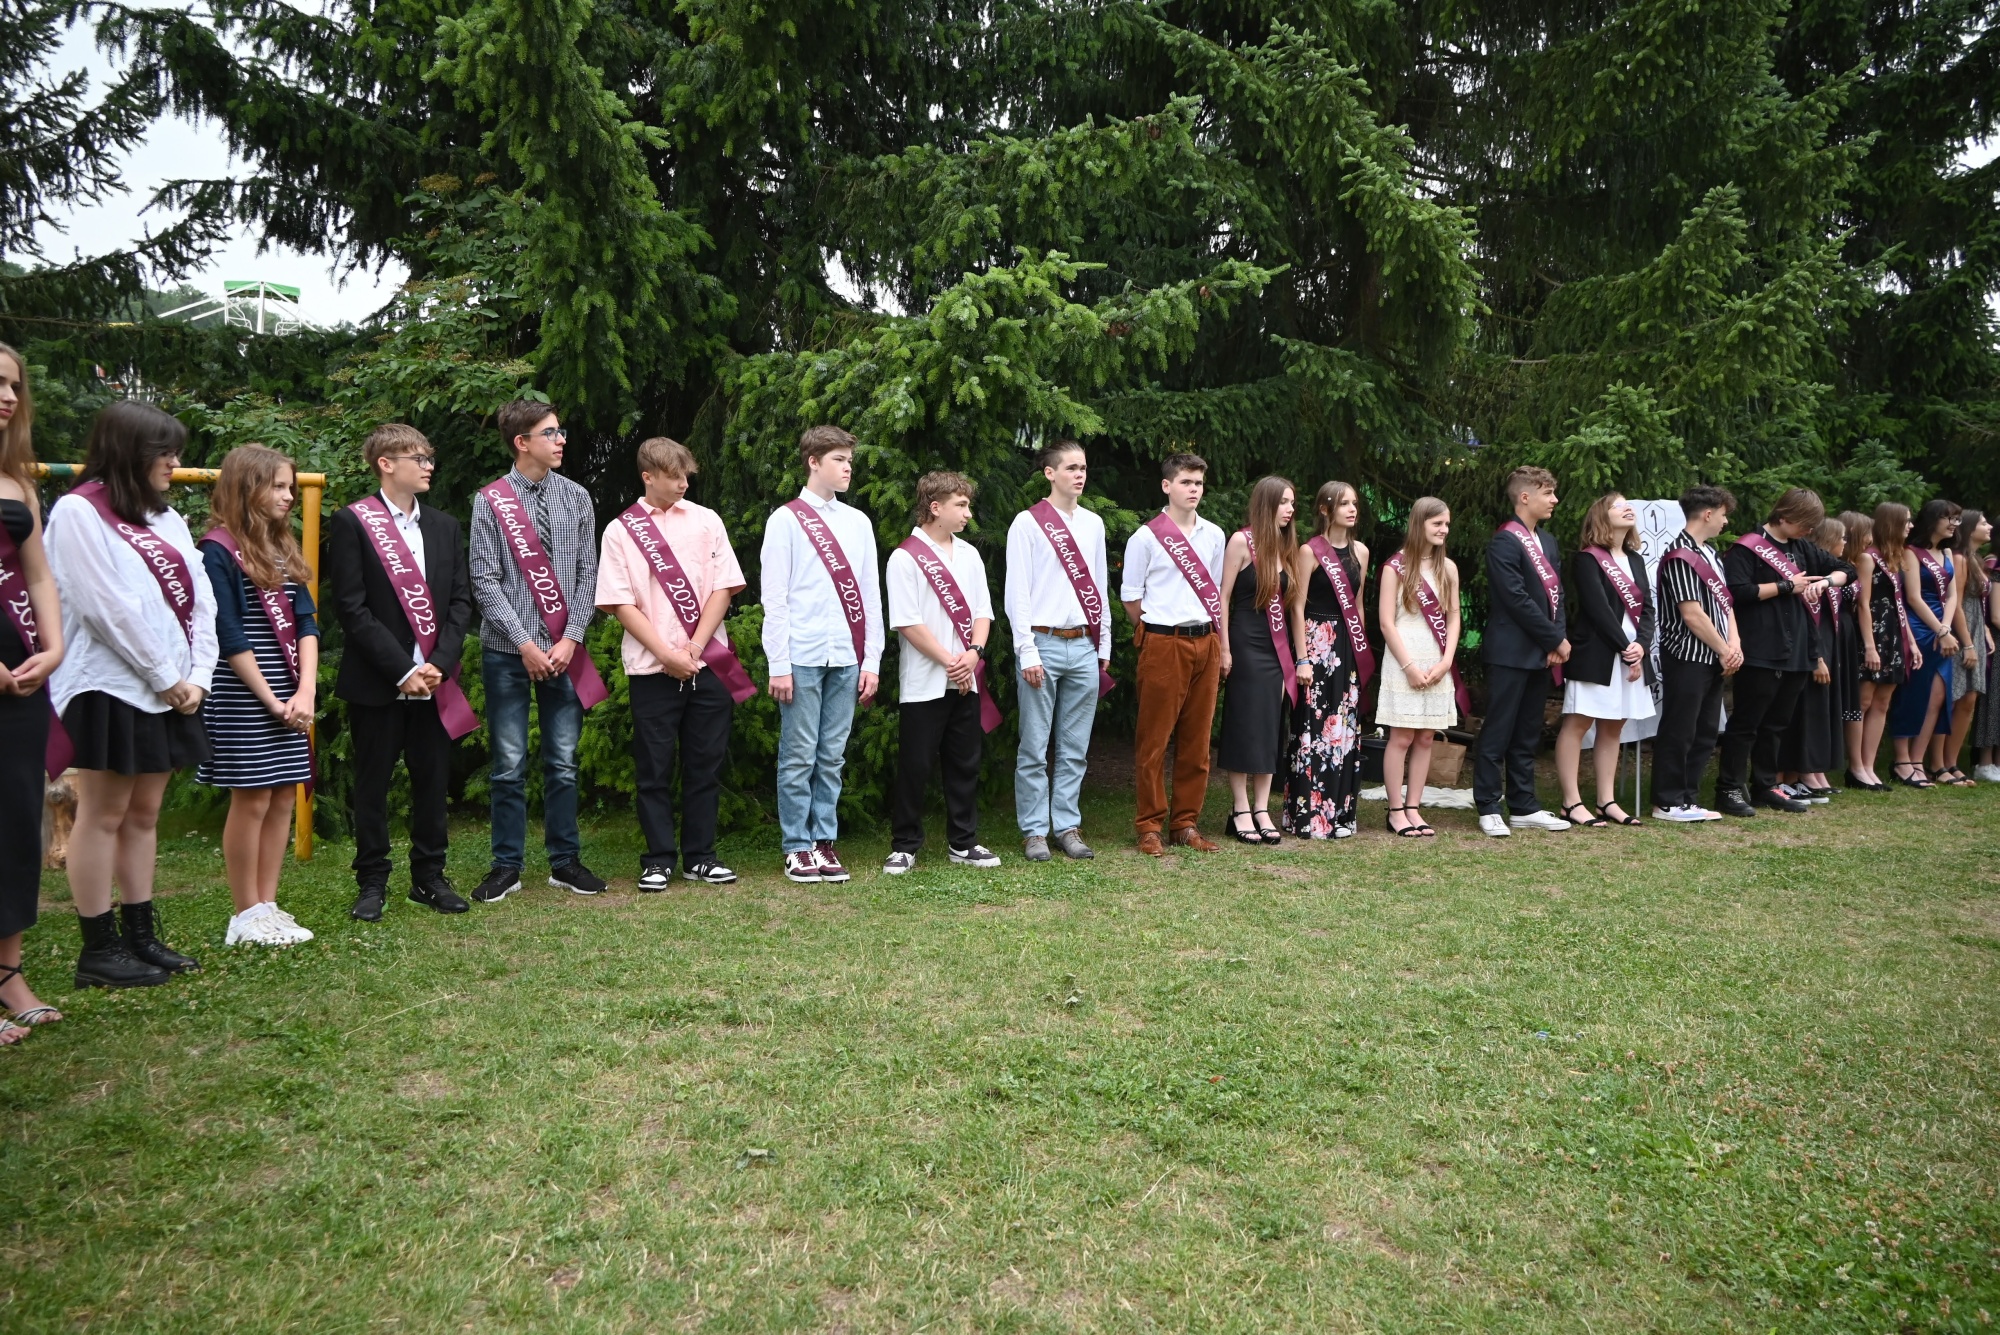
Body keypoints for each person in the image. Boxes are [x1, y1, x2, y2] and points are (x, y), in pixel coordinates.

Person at [47, 401, 215, 986]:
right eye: (164, 452)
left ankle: (141, 935)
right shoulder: (78, 512)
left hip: (176, 686)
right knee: (104, 813)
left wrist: (199, 674)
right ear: (129, 452)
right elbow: (102, 608)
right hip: (112, 685)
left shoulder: (166, 518)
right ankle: (98, 947)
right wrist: (166, 677)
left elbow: (201, 598)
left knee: (144, 815)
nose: (174, 462)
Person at [327, 423, 476, 921]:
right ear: (386, 464)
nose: (430, 466)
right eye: (419, 458)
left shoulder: (444, 526)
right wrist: (400, 670)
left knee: (432, 782)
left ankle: (429, 878)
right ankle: (372, 882)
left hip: (433, 682)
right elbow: (351, 608)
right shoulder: (352, 522)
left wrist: (439, 664)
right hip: (378, 682)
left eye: (430, 457)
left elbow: (460, 602)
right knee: (372, 785)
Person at [469, 400, 607, 902]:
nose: (561, 439)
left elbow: (589, 574)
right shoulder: (490, 501)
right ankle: (506, 867)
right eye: (550, 433)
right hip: (508, 652)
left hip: (566, 651)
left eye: (560, 431)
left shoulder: (577, 497)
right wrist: (524, 643)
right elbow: (484, 580)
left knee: (563, 762)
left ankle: (565, 862)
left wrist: (571, 638)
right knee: (508, 764)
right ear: (521, 442)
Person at [595, 436, 748, 889]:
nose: (683, 484)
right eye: (674, 477)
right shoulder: (621, 531)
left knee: (706, 765)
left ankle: (700, 857)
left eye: (686, 476)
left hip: (707, 664)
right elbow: (619, 603)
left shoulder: (706, 520)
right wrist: (666, 655)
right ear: (648, 477)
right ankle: (658, 859)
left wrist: (694, 650)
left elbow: (724, 587)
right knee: (654, 768)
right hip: (651, 668)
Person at [196, 445, 319, 946]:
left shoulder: (281, 546)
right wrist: (271, 700)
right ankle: (244, 914)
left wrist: (305, 690)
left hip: (292, 692)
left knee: (282, 797)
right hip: (243, 694)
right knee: (251, 799)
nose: (289, 496)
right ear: (247, 487)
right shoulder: (217, 550)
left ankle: (268, 906)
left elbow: (307, 622)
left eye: (291, 486)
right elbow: (227, 632)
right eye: (278, 486)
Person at [760, 425, 882, 883]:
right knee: (798, 756)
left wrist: (871, 661)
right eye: (839, 460)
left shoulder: (858, 523)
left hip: (847, 657)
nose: (848, 468)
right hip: (801, 656)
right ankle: (797, 846)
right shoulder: (785, 520)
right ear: (813, 462)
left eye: (850, 460)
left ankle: (823, 842)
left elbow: (870, 596)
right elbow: (774, 598)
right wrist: (778, 664)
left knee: (831, 756)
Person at [884, 471, 999, 873]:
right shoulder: (905, 558)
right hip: (924, 680)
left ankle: (963, 843)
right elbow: (907, 621)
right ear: (935, 507)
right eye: (961, 505)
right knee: (915, 765)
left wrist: (974, 653)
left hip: (966, 678)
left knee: (964, 762)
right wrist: (950, 660)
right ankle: (904, 845)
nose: (968, 513)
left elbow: (983, 612)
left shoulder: (968, 555)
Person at [0, 345, 65, 1035]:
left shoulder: (18, 482)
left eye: (14, 385)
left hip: (21, 678)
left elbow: (37, 573)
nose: (9, 396)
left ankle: (8, 973)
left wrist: (53, 646)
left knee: (17, 821)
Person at [1004, 440, 1110, 862]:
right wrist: (1026, 651)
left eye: (1083, 467)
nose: (1079, 475)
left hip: (1083, 644)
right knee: (1034, 745)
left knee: (1074, 747)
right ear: (1050, 473)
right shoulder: (1027, 523)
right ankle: (1034, 830)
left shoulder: (1094, 524)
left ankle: (1066, 826)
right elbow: (1017, 593)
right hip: (1042, 643)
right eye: (1071, 468)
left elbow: (1099, 586)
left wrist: (1103, 643)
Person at [1716, 487, 1851, 816]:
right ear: (1785, 516)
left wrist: (1826, 583)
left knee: (1777, 723)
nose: (1809, 531)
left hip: (1798, 649)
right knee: (1746, 724)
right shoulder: (1747, 548)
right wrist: (1786, 586)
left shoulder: (1801, 547)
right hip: (1761, 648)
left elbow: (1846, 569)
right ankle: (1729, 788)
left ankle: (1765, 785)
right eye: (1805, 524)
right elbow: (1736, 592)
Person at [1121, 452, 1227, 855]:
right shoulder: (1146, 538)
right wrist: (1156, 632)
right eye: (1185, 482)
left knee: (1197, 742)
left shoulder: (1214, 535)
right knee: (1154, 740)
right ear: (1167, 486)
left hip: (1206, 641)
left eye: (1198, 482)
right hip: (1163, 642)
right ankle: (1149, 826)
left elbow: (1215, 592)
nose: (1193, 489)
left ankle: (1185, 824)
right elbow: (1131, 597)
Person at [1475, 466, 1571, 837]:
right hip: (1509, 652)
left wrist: (1555, 639)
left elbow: (1557, 595)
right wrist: (1554, 639)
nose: (1554, 500)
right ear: (1525, 497)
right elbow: (1515, 599)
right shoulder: (1504, 541)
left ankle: (1524, 806)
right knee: (1497, 731)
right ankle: (1488, 806)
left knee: (1528, 733)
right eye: (1548, 493)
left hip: (1541, 653)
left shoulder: (1548, 541)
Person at [1554, 493, 1655, 827]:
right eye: (1617, 505)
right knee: (1578, 723)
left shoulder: (1635, 559)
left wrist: (1641, 645)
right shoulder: (1588, 559)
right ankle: (1571, 802)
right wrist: (1627, 648)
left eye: (1628, 504)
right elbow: (1597, 610)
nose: (1628, 508)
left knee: (1614, 726)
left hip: (1631, 655)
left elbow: (1648, 608)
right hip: (1597, 654)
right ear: (1601, 515)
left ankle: (1606, 801)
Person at [1285, 480, 1372, 839]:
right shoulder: (1309, 551)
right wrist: (1302, 658)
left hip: (1347, 648)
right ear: (1325, 509)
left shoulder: (1361, 552)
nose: (1352, 510)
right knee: (1313, 728)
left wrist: (1361, 652)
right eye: (1344, 503)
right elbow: (1297, 606)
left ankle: (1339, 815)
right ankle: (1308, 815)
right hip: (1316, 645)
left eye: (1355, 504)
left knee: (1343, 730)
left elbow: (1359, 604)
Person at [1651, 485, 1740, 821]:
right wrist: (1725, 649)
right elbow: (1692, 614)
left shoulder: (1711, 554)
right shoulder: (1680, 555)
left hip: (1715, 657)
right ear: (1708, 513)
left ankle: (1688, 798)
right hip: (1687, 657)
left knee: (1705, 732)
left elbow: (1726, 604)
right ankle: (1667, 801)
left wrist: (1734, 645)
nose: (1725, 522)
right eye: (1723, 514)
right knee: (1680, 730)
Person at [1217, 476, 1298, 844]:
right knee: (1244, 725)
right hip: (1245, 643)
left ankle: (1262, 808)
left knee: (1269, 726)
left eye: (1292, 503)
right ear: (1266, 504)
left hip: (1276, 649)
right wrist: (1224, 647)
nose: (1290, 509)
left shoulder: (1286, 546)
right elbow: (1223, 597)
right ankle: (1240, 809)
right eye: (1284, 502)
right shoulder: (1241, 541)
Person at [1374, 497, 1458, 837]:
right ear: (1419, 523)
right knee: (1402, 736)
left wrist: (1447, 660)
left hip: (1436, 659)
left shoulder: (1447, 568)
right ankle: (1396, 810)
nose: (1444, 529)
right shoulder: (1394, 568)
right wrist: (1408, 666)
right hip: (1403, 658)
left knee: (1425, 737)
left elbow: (1454, 616)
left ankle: (1414, 807)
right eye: (1437, 523)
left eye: (1447, 524)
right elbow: (1385, 622)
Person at [1774, 517, 1852, 802]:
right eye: (1841, 537)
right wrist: (1817, 656)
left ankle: (1800, 774)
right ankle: (1785, 778)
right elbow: (1807, 620)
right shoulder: (1804, 575)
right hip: (1806, 652)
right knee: (1797, 715)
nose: (1845, 543)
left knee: (1815, 711)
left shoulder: (1825, 574)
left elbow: (1848, 573)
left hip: (1823, 648)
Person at [1889, 499, 1961, 786]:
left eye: (1957, 519)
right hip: (1920, 628)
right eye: (1949, 518)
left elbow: (1953, 596)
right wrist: (1940, 631)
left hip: (1943, 629)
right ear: (1933, 519)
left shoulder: (1947, 552)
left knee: (1937, 697)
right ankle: (1901, 760)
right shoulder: (1911, 552)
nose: (1954, 524)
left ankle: (1918, 760)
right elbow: (1913, 597)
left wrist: (1946, 628)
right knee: (1913, 693)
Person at [1856, 502, 1913, 790]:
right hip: (1873, 635)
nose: (1911, 526)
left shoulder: (1896, 559)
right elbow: (1862, 604)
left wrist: (1910, 642)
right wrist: (1869, 645)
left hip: (1893, 634)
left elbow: (1900, 604)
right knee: (1864, 700)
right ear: (1891, 523)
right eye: (1906, 521)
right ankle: (1856, 767)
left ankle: (1869, 766)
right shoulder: (1868, 558)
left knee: (1883, 702)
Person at [1941, 509, 1992, 782]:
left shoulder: (1975, 559)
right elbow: (1957, 603)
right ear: (1970, 528)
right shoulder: (1959, 558)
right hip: (1962, 630)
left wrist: (1984, 630)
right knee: (1953, 696)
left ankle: (1952, 761)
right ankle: (1939, 762)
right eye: (1983, 523)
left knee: (1970, 698)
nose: (1989, 526)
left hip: (1975, 627)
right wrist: (1969, 644)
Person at [1831, 512, 1874, 790]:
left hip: (1851, 634)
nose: (1871, 539)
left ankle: (1857, 766)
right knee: (1838, 699)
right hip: (1835, 630)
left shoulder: (1855, 564)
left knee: (1854, 701)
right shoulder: (1832, 564)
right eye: (1867, 533)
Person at [1972, 547, 2000, 782]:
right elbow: (1996, 615)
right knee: (1993, 701)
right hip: (1997, 643)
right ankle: (1984, 762)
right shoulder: (1996, 568)